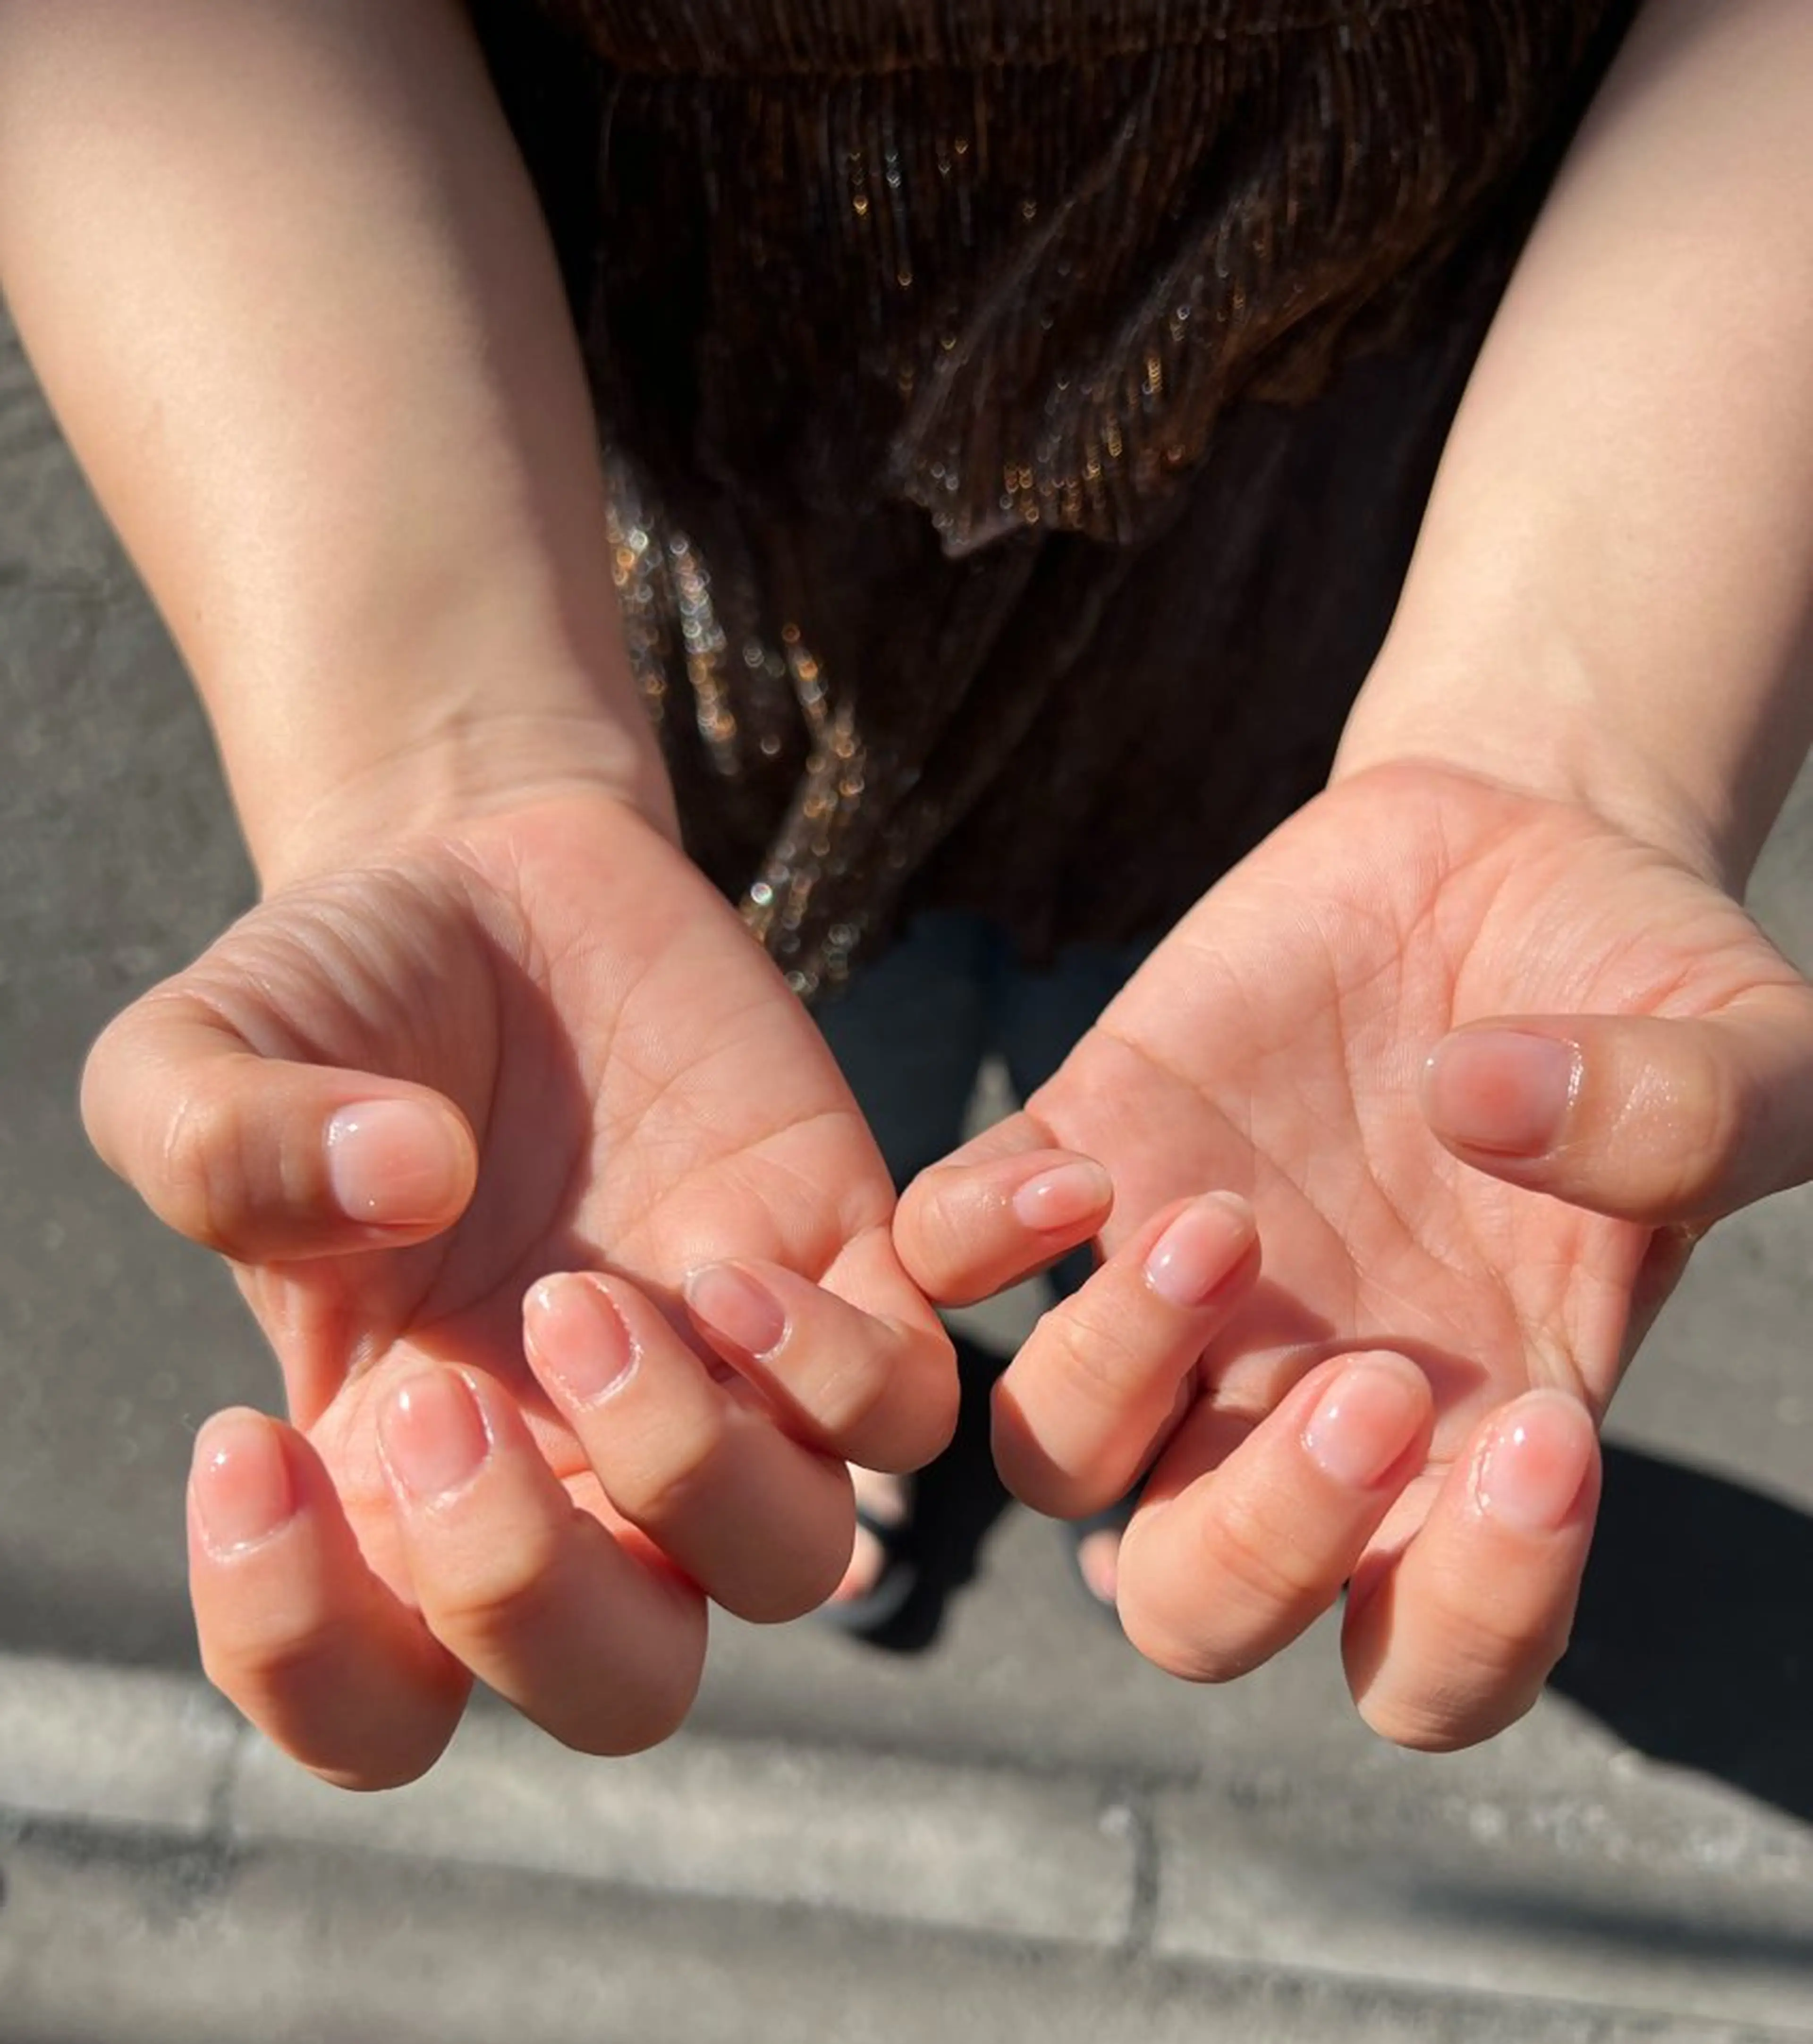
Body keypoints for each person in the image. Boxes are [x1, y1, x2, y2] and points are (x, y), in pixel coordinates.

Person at [0, 0, 1808, 1791]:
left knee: (1196, 1166)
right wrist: (440, 754)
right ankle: (835, 1402)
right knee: (783, 1179)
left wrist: (1571, 737)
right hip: (657, 676)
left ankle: (1172, 1415)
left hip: (1372, 626)